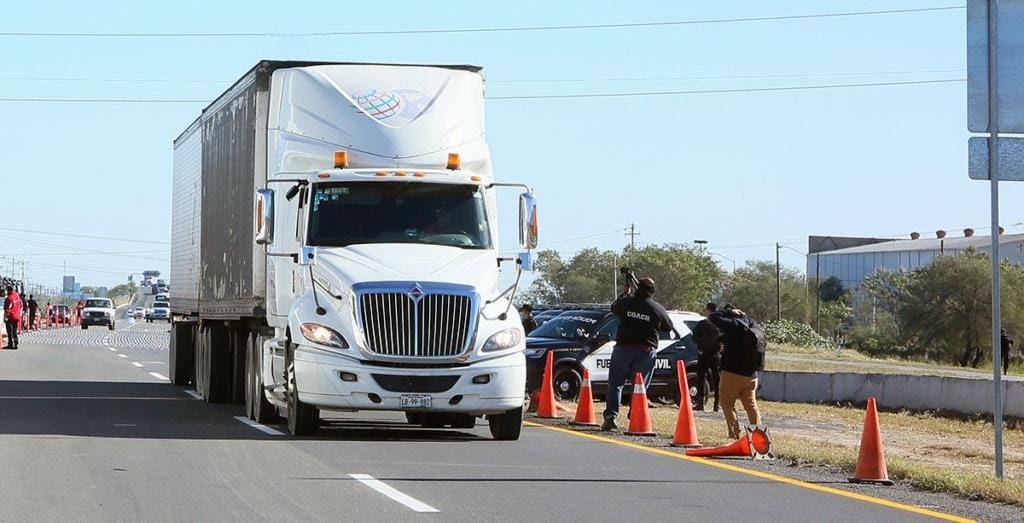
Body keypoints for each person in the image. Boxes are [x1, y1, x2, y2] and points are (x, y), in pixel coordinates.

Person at [602, 277, 673, 431]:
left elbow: (614, 308)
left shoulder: (627, 302)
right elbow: (668, 326)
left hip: (623, 348)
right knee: (640, 386)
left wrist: (625, 293)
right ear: (652, 291)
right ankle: (635, 414)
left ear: (636, 288)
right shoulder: (656, 307)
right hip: (645, 351)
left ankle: (611, 417)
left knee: (615, 384)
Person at [708, 304, 762, 439]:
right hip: (752, 375)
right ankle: (759, 436)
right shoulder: (752, 323)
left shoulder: (733, 325)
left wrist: (727, 311)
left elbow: (713, 316)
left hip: (733, 373)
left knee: (727, 403)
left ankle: (734, 435)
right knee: (751, 405)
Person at [691, 302, 722, 412]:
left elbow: (694, 338)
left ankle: (701, 403)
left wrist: (700, 345)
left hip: (703, 354)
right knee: (717, 380)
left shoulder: (703, 323)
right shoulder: (720, 324)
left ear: (707, 310)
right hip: (716, 355)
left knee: (701, 378)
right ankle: (717, 405)